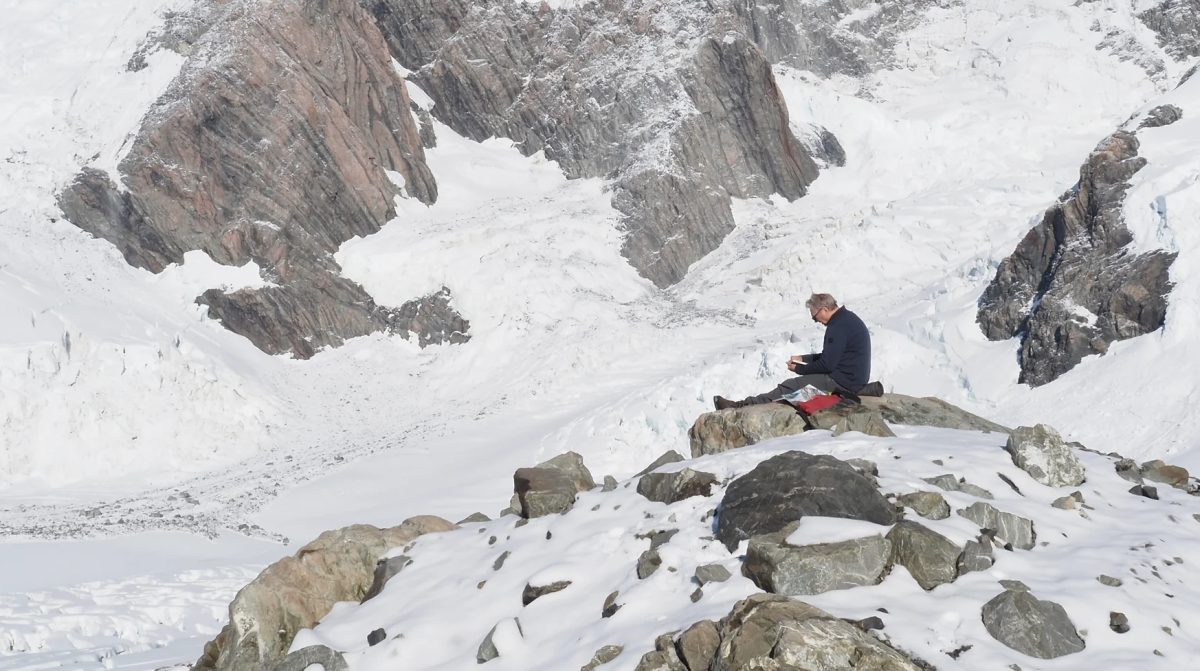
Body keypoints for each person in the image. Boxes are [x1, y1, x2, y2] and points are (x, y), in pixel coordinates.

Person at [714, 293, 873, 410]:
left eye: (814, 317)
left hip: (844, 382)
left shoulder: (837, 327)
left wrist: (799, 369)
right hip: (852, 378)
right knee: (795, 387)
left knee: (790, 387)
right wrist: (803, 358)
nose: (815, 321)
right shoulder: (846, 319)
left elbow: (827, 365)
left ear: (824, 309)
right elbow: (832, 356)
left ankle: (740, 406)